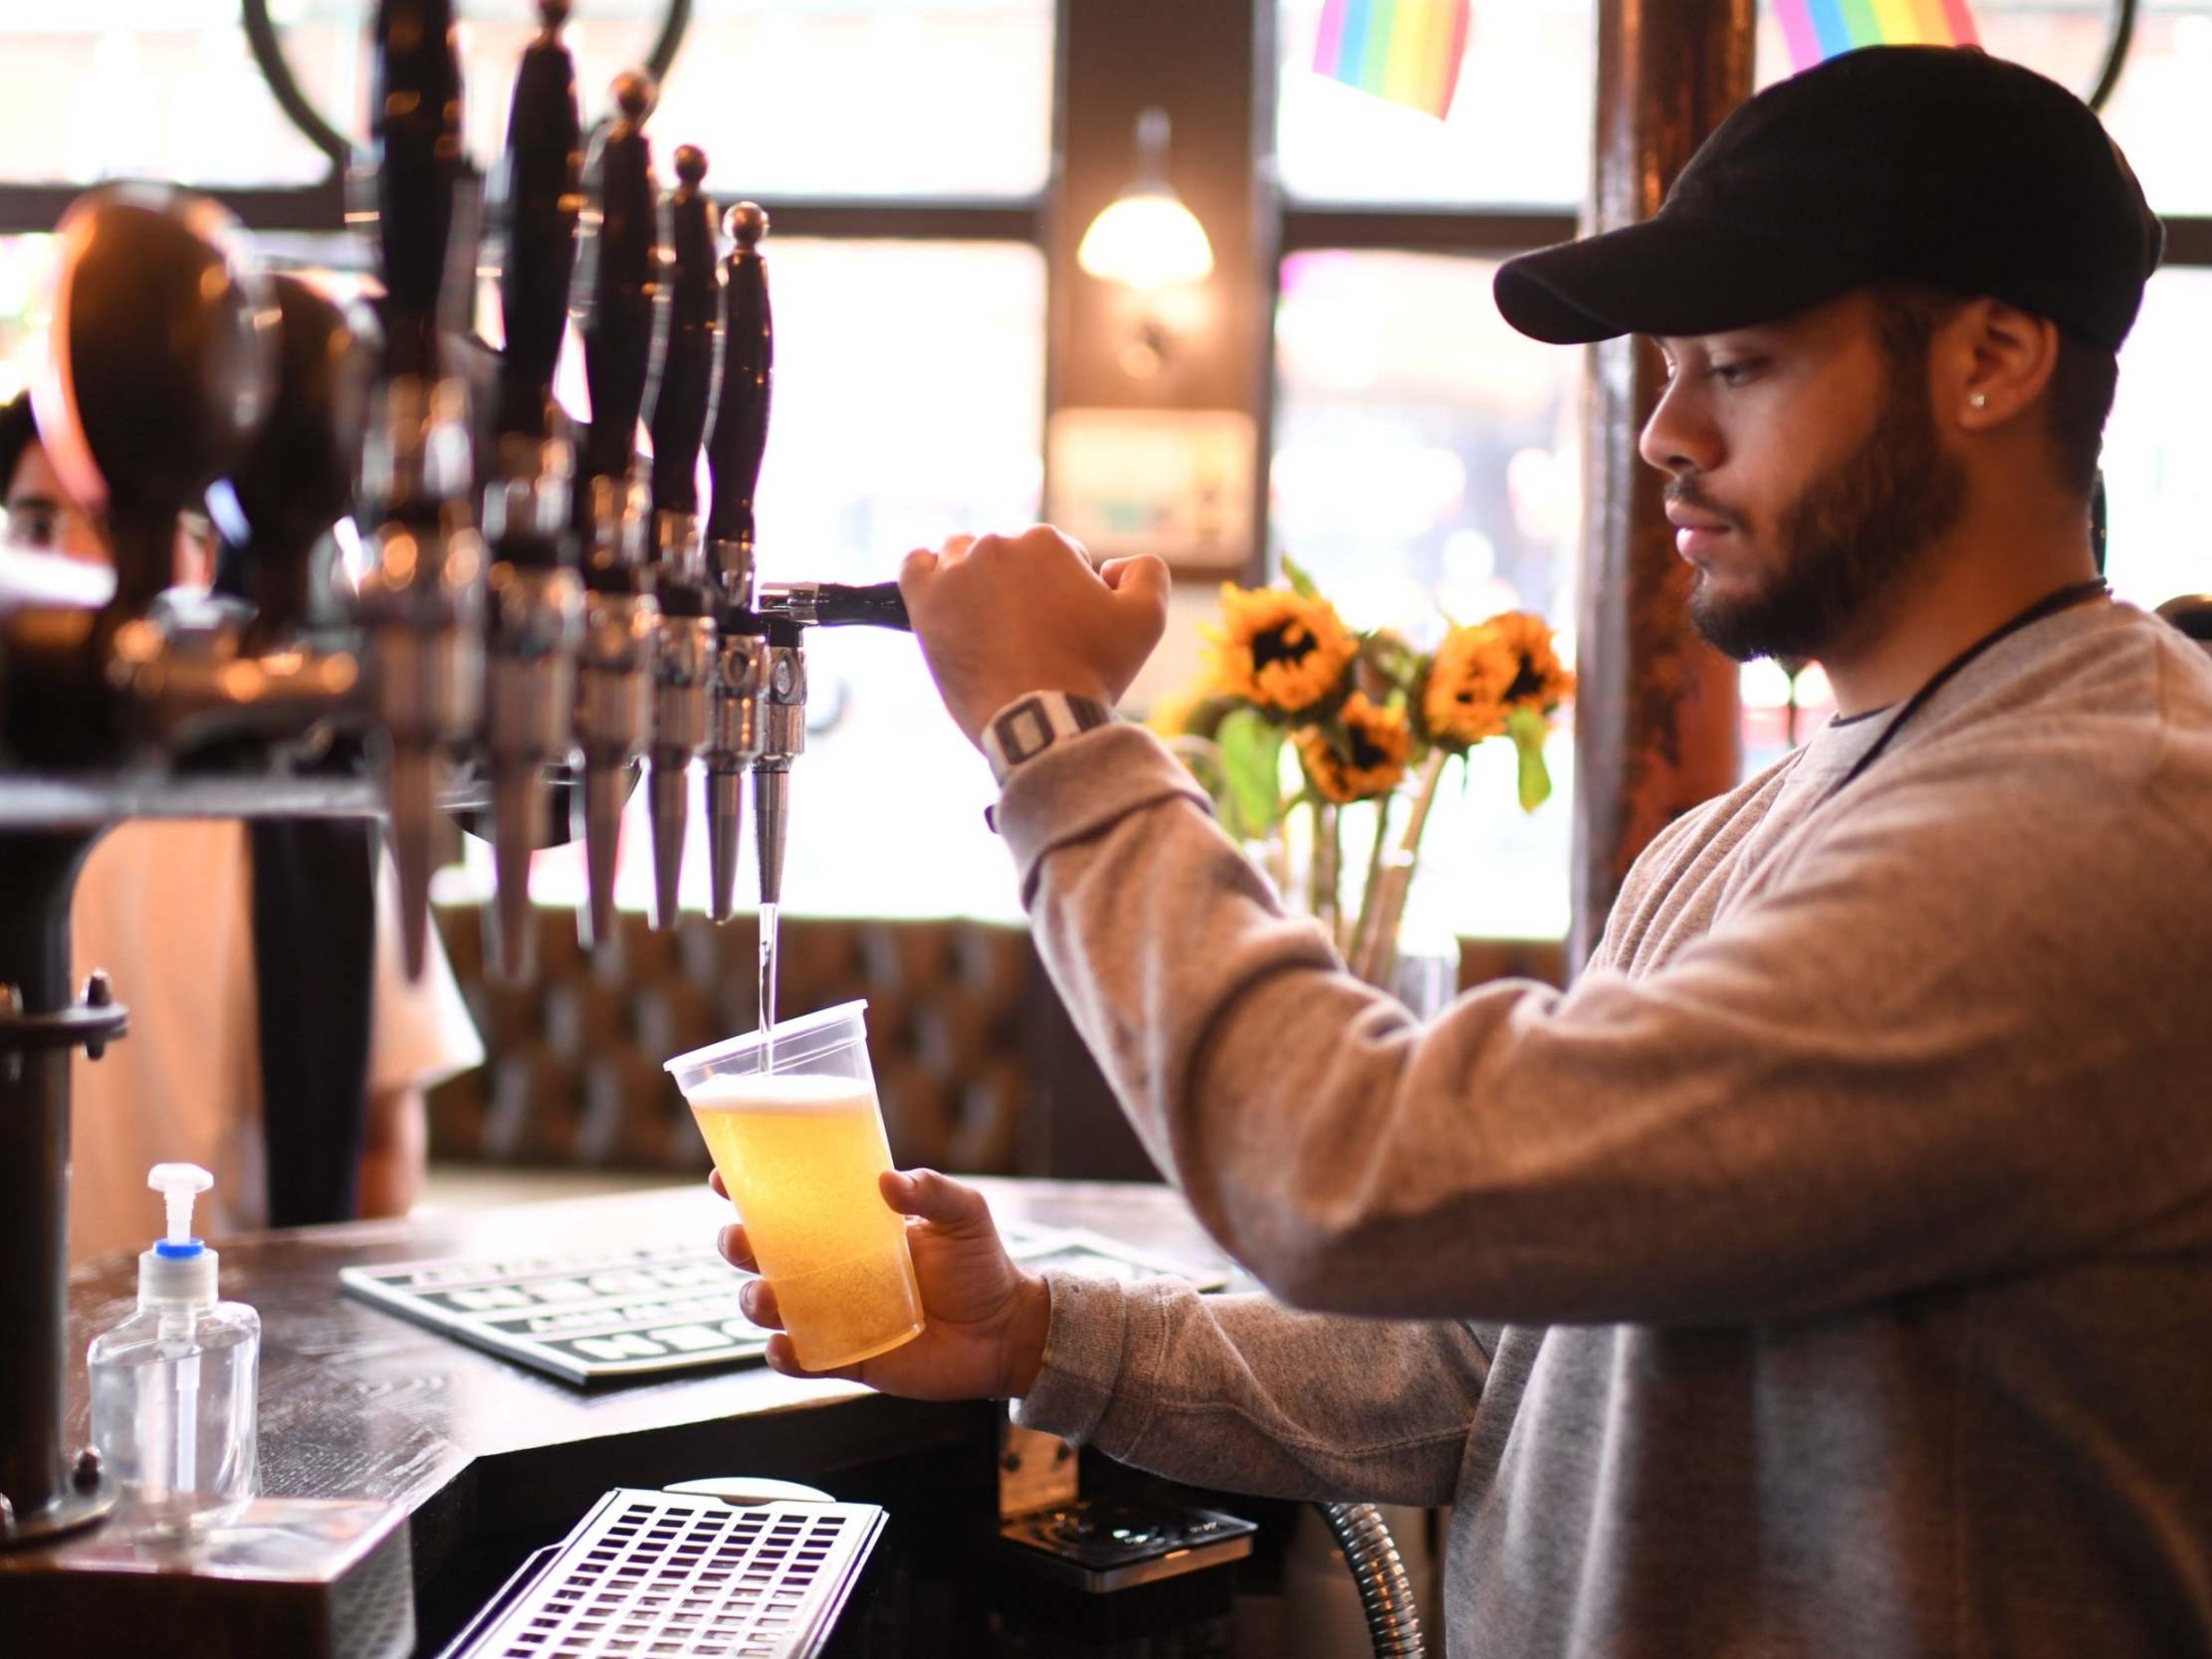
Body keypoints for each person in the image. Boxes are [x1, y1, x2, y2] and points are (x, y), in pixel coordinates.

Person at [713, 46, 2212, 1659]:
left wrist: (1049, 731)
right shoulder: (1729, 843)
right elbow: (1487, 1367)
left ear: (1989, 359)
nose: (1664, 435)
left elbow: (1355, 1175)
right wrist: (1039, 1332)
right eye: (1667, 367)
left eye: (1742, 364)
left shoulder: (2098, 819)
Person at [0, 390, 485, 1260]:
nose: (71, 568)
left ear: (198, 552)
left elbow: (380, 1131)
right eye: (36, 528)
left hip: (222, 1349)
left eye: (110, 526)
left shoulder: (297, 809)